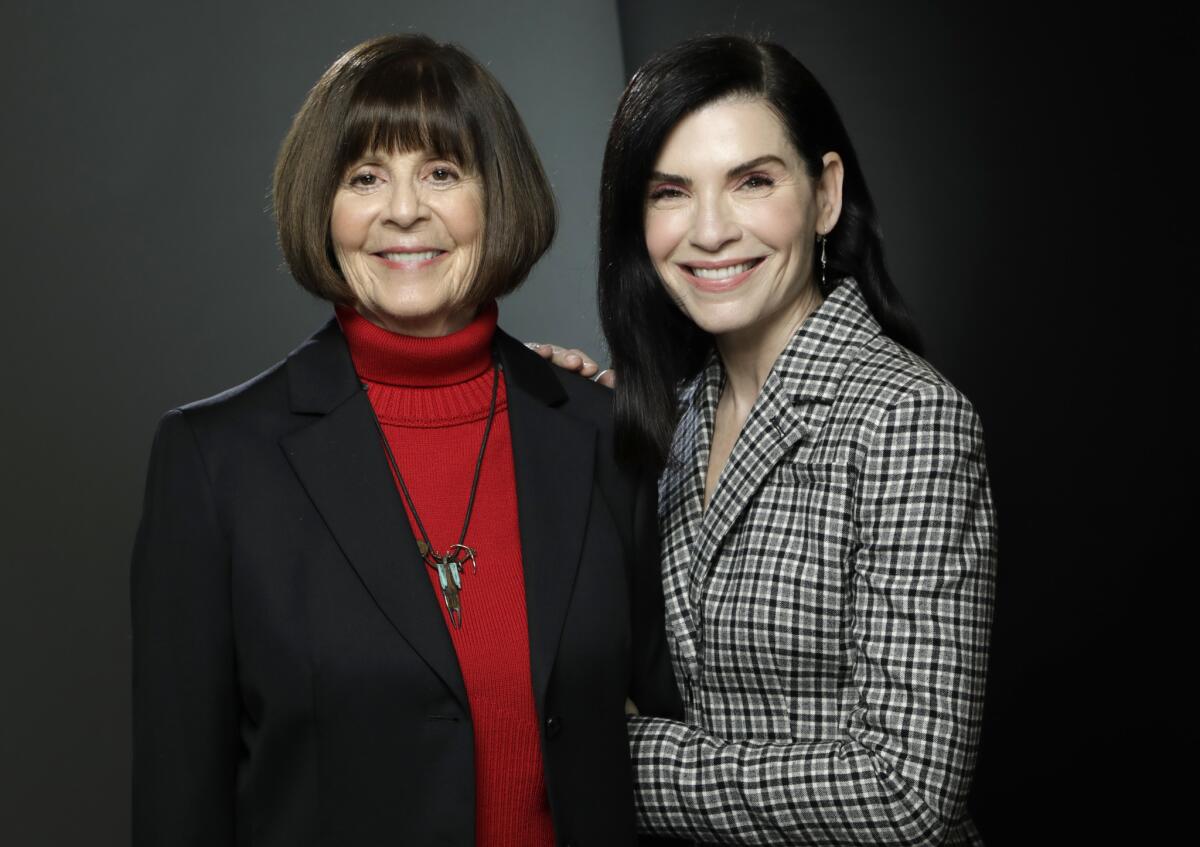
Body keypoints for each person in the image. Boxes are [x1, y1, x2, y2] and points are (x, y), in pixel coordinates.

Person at [130, 33, 678, 847]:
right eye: (364, 177)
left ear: (500, 197)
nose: (403, 210)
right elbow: (181, 808)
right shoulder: (216, 463)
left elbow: (657, 727)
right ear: (324, 206)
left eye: (442, 172)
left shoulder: (600, 434)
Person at [538, 35, 996, 845]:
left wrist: (616, 752)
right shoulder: (663, 416)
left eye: (752, 182)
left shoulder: (906, 417)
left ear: (825, 196)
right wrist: (537, 410)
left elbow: (905, 791)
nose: (709, 231)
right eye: (670, 192)